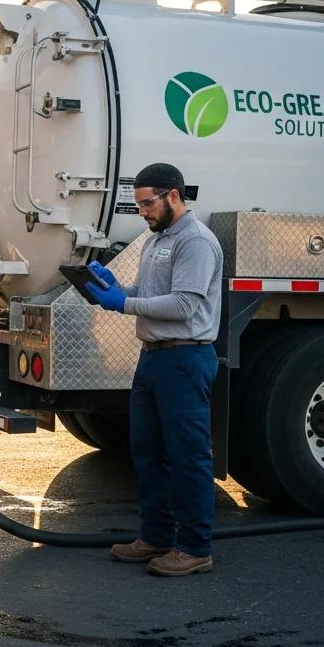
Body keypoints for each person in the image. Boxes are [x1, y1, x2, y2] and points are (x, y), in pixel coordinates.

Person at [85, 162, 223, 576]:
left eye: (147, 203)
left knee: (188, 457)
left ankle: (195, 548)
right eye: (138, 205)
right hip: (154, 358)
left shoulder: (196, 242)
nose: (142, 212)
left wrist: (122, 304)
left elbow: (183, 304)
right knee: (147, 451)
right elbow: (148, 294)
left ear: (174, 196)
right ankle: (157, 537)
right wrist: (113, 287)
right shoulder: (157, 239)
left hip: (184, 358)